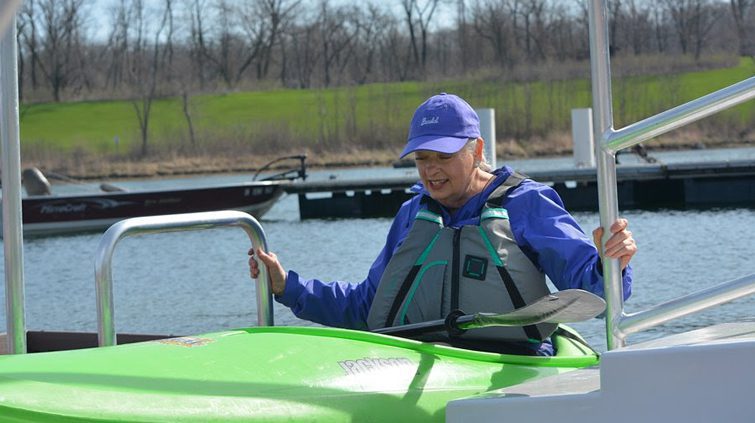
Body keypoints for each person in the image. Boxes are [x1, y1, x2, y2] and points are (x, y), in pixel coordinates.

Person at [249, 93, 636, 356]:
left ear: (477, 150)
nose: (431, 170)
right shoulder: (413, 215)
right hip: (425, 363)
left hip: (516, 366)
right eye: (422, 158)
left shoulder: (526, 204)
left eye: (443, 156)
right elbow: (366, 309)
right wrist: (288, 287)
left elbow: (595, 295)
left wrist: (611, 261)